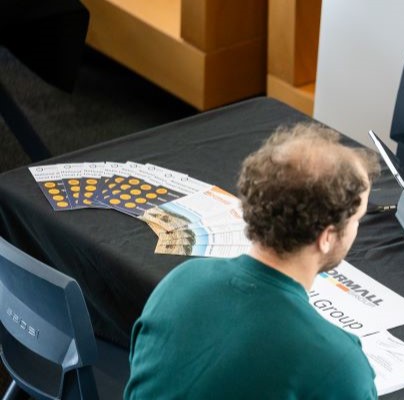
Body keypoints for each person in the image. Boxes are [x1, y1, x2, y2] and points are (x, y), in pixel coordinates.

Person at [125, 123, 379, 399]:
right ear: (327, 236)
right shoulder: (338, 364)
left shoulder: (180, 280)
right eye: (357, 219)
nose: (357, 228)